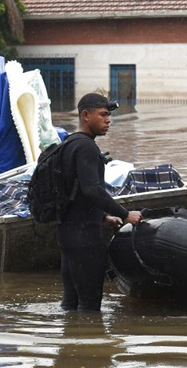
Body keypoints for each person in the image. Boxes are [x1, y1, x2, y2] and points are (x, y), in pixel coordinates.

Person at [57, 93, 143, 311]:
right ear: (86, 115)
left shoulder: (68, 144)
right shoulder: (86, 147)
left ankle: (68, 335)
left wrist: (104, 217)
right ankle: (90, 335)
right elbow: (92, 190)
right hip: (85, 239)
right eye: (103, 115)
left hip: (67, 236)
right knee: (90, 308)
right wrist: (125, 214)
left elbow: (73, 192)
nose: (108, 120)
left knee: (70, 304)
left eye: (108, 116)